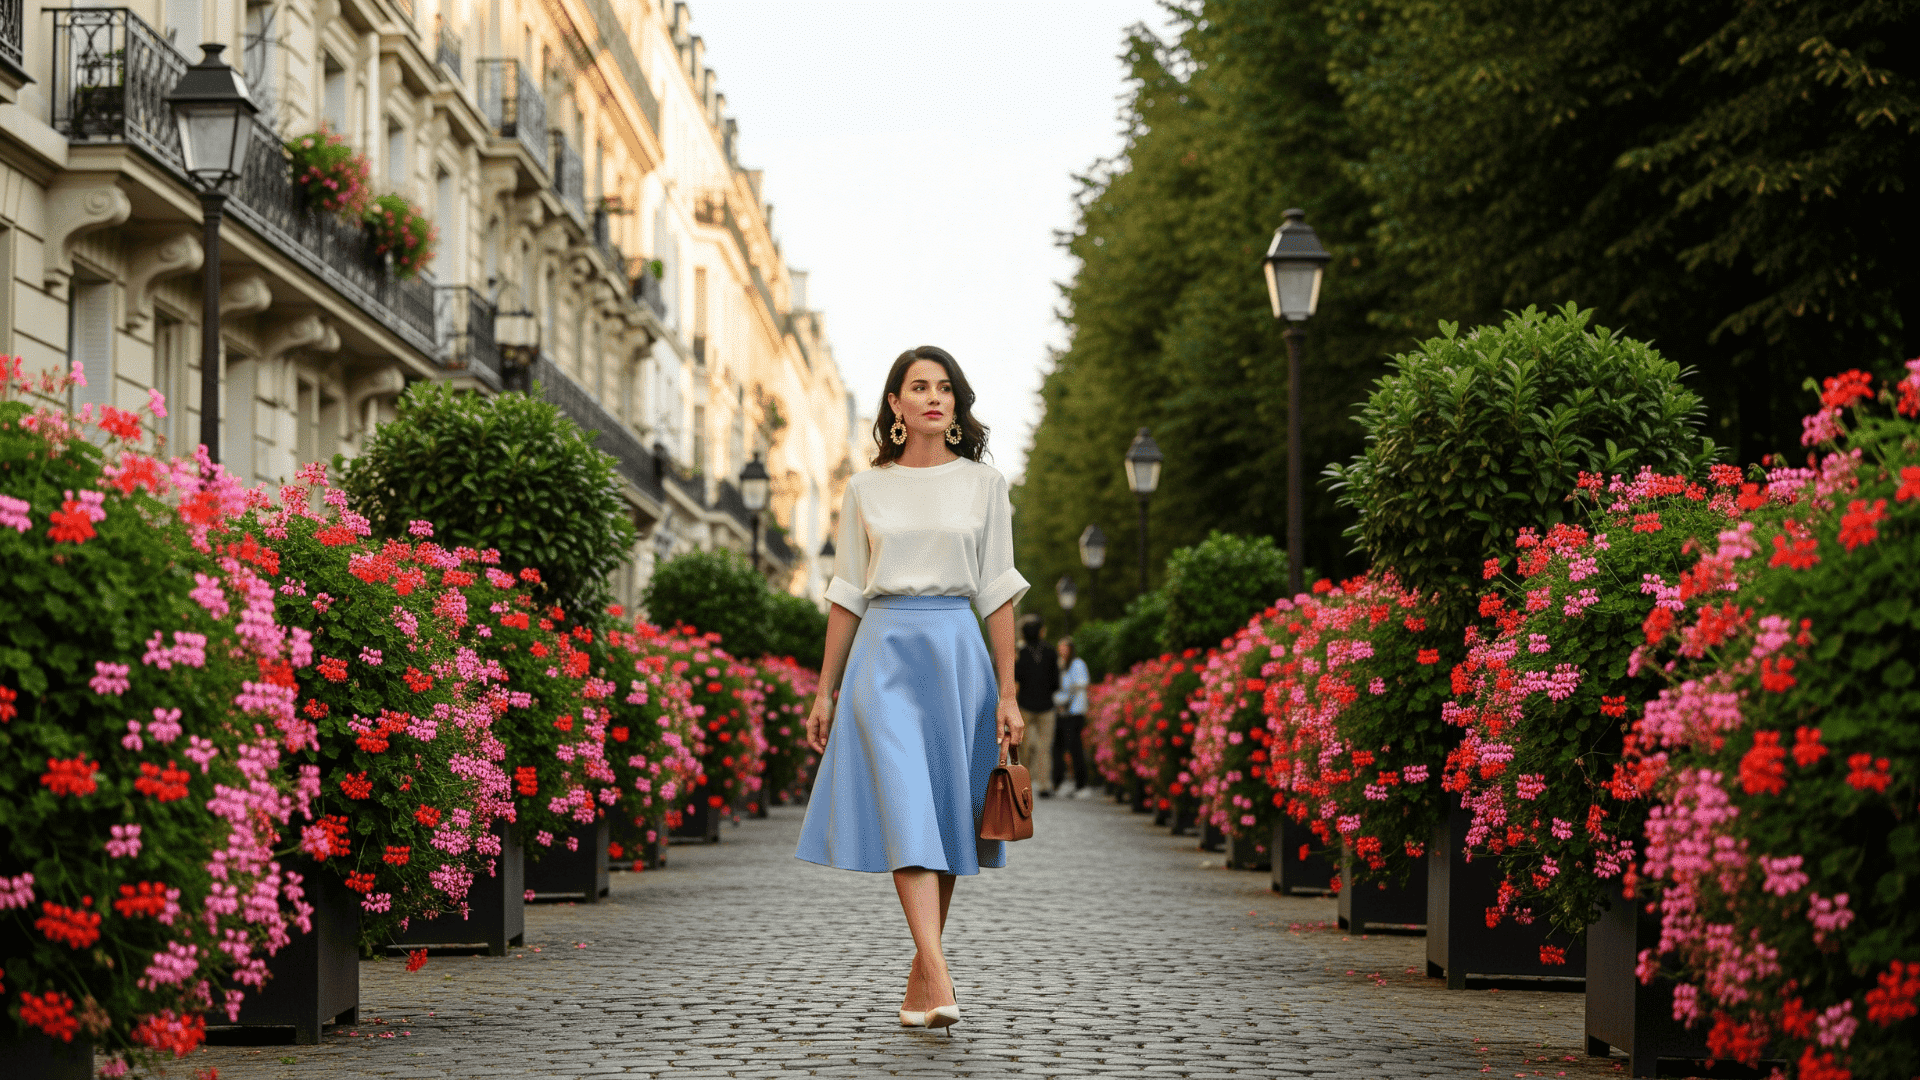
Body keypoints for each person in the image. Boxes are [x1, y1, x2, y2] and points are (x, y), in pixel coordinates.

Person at [795, 345, 1029, 1034]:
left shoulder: (986, 485)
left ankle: (920, 982)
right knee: (906, 809)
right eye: (917, 386)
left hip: (959, 656)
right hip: (882, 655)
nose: (934, 396)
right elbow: (845, 591)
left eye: (945, 387)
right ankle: (939, 967)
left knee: (948, 819)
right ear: (894, 405)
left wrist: (1009, 693)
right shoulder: (864, 489)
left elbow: (999, 593)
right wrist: (824, 690)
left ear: (958, 403)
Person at [1013, 615, 1058, 797]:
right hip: (1047, 706)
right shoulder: (1050, 651)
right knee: (1044, 748)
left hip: (1025, 705)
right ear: (1041, 631)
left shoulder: (1020, 653)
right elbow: (1056, 682)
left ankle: (1024, 784)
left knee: (1024, 747)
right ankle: (1044, 784)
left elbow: (1016, 682)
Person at [1052, 636, 1092, 798]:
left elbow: (1080, 683)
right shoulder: (1059, 665)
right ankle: (1059, 782)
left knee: (1075, 748)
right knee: (1058, 748)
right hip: (1061, 712)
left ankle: (1081, 784)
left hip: (1074, 711)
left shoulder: (1077, 664)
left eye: (1064, 647)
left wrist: (1066, 699)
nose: (1061, 651)